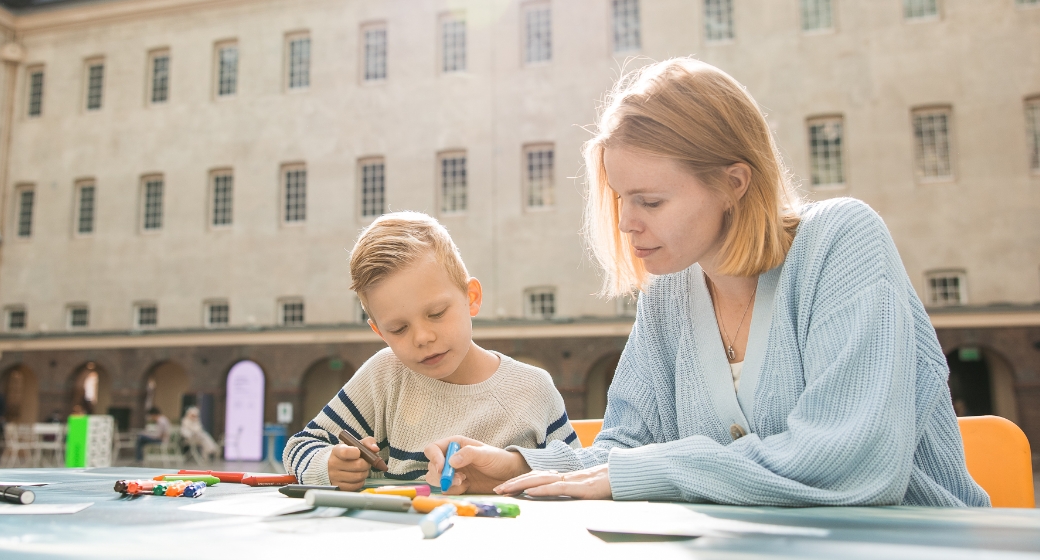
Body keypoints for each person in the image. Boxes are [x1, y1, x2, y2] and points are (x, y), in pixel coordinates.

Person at [422, 58, 990, 507]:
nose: (626, 222)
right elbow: (628, 449)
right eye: (622, 199)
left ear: (734, 182)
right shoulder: (668, 290)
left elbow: (853, 459)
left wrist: (646, 473)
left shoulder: (843, 242)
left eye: (651, 200)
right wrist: (524, 465)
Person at [283, 211, 579, 490]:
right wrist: (327, 466)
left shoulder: (533, 389)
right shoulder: (384, 376)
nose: (422, 338)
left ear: (471, 297)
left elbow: (581, 473)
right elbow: (300, 446)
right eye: (399, 329)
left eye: (436, 313)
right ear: (380, 333)